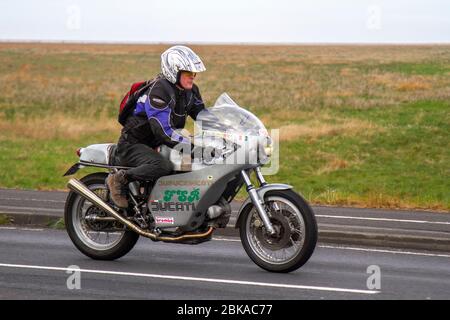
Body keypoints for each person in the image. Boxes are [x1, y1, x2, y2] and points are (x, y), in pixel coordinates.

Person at [107, 45, 207, 208]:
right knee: (162, 166)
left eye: (194, 73)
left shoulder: (191, 91)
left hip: (156, 145)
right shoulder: (159, 91)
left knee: (190, 166)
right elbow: (163, 131)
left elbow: (204, 117)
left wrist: (228, 131)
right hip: (133, 145)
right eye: (189, 73)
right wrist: (192, 148)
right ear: (174, 71)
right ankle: (120, 178)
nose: (193, 77)